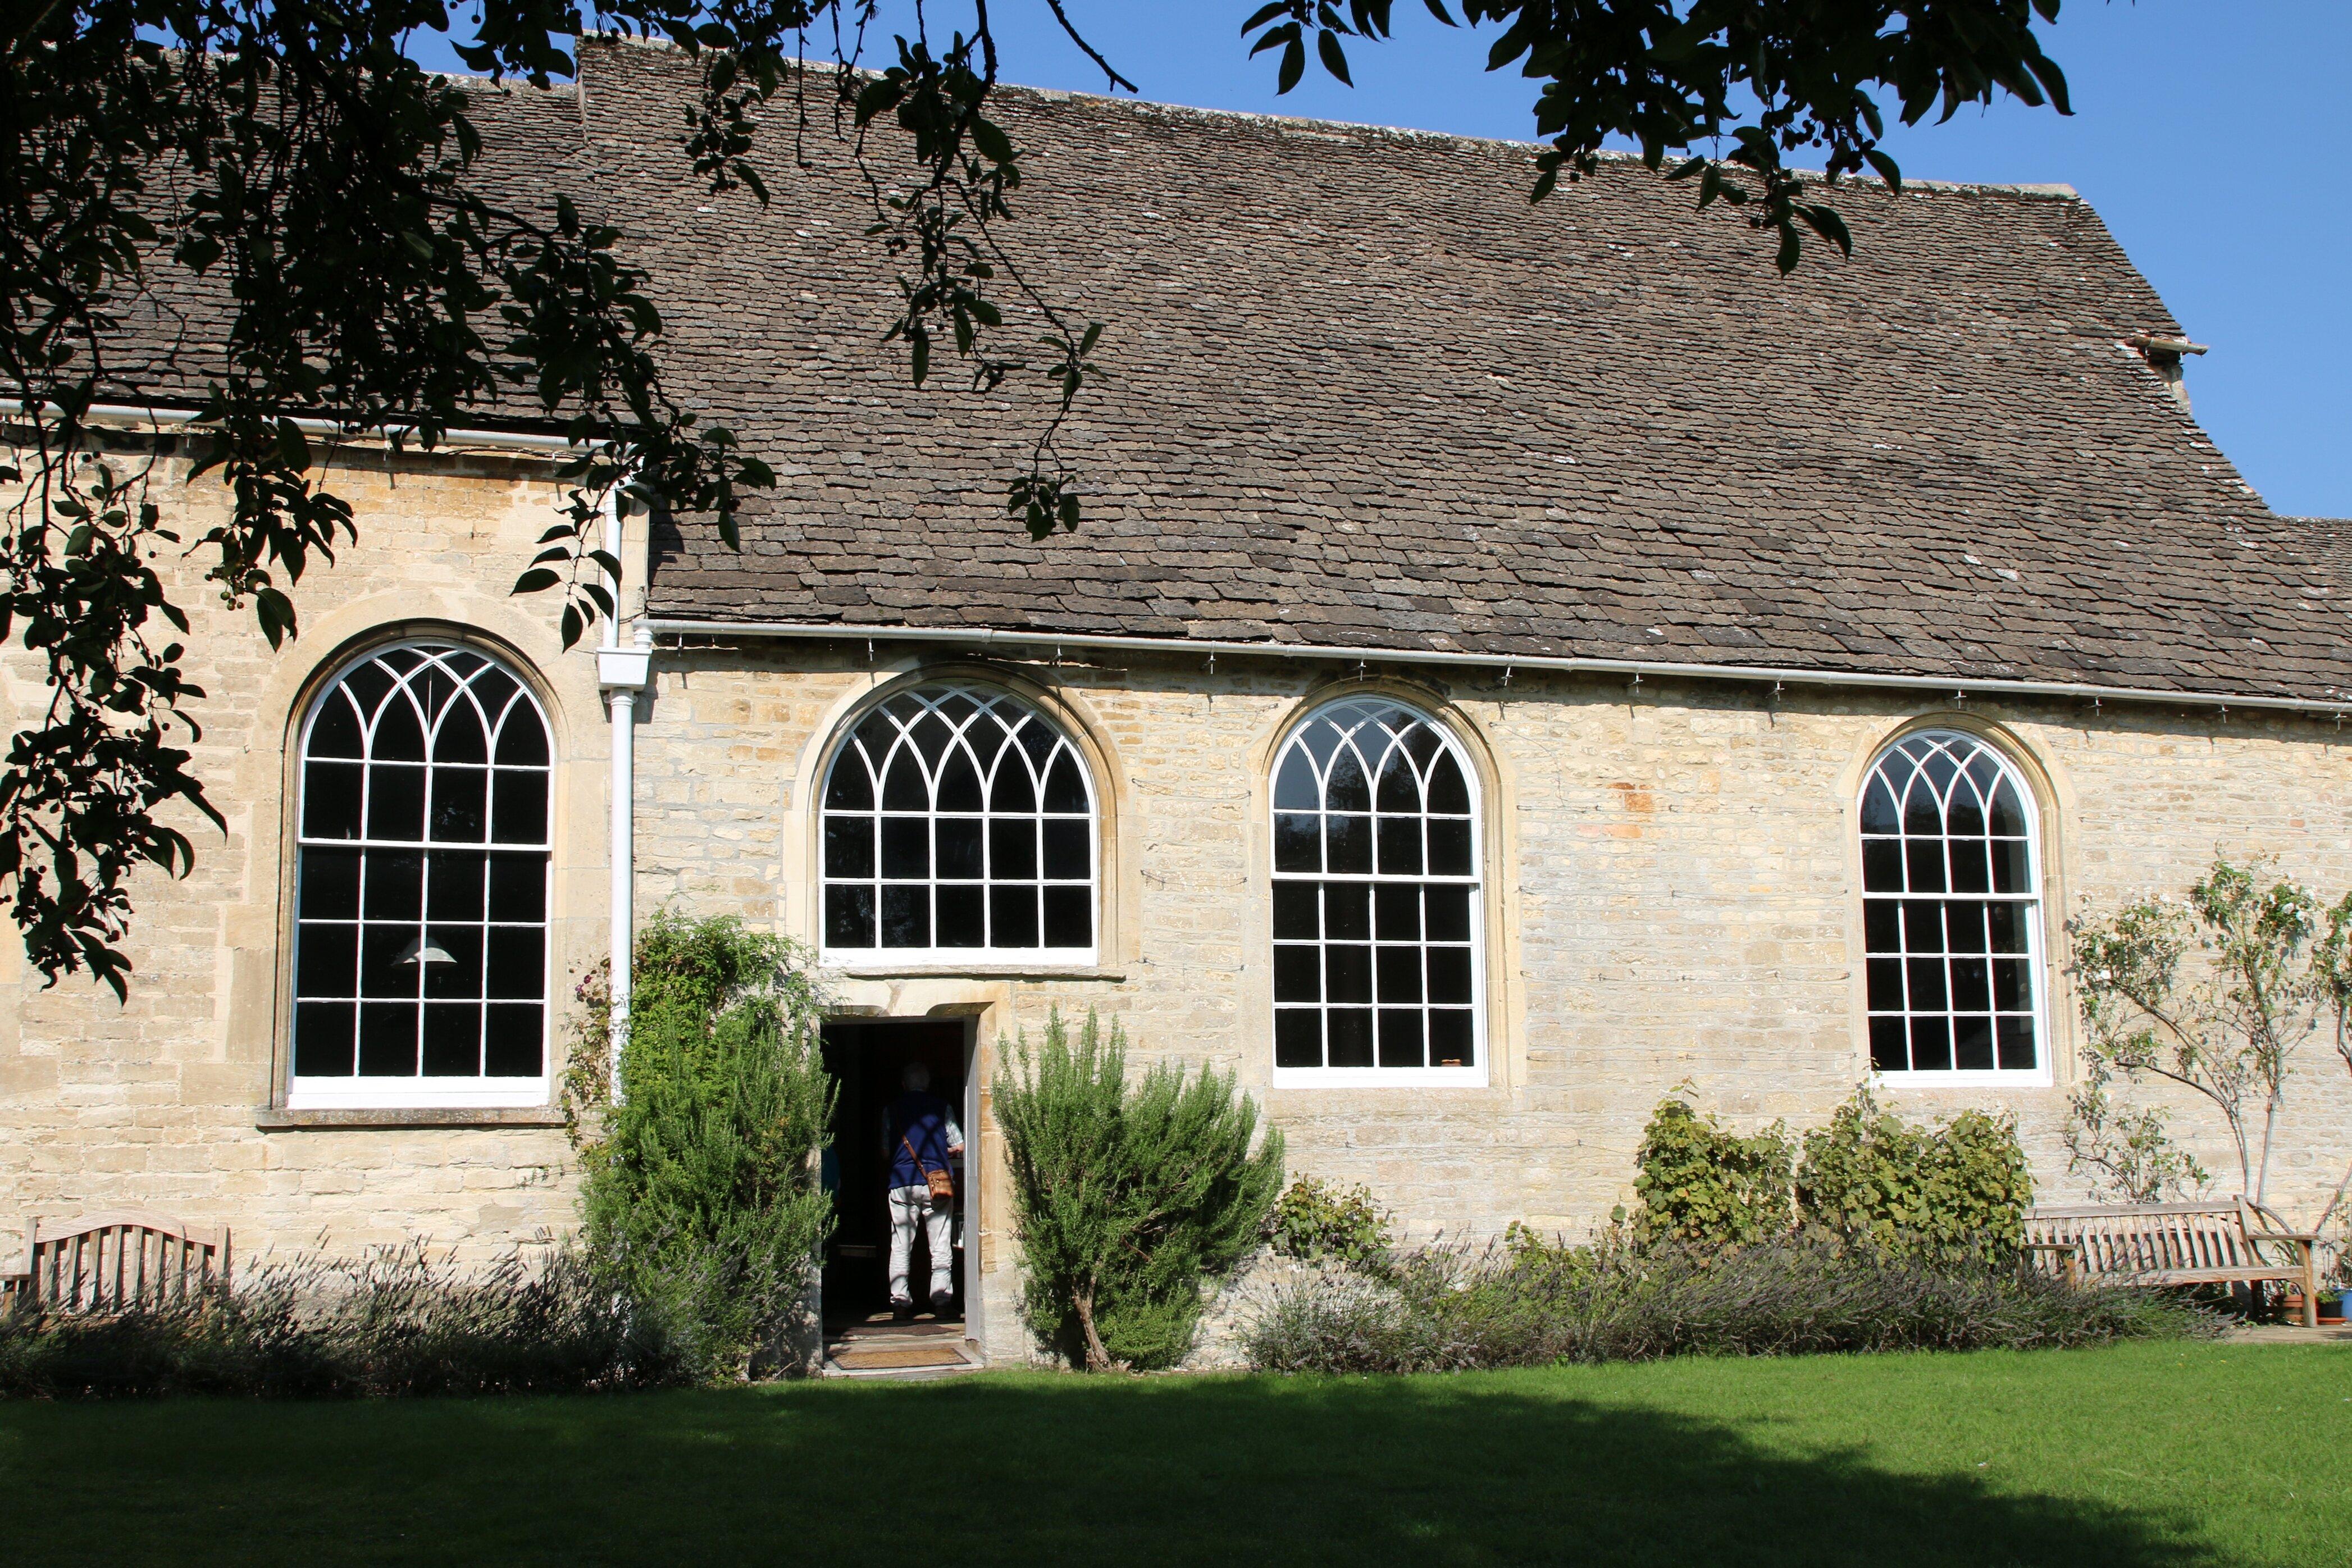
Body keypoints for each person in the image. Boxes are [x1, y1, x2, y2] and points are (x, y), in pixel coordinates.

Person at [883, 1061, 963, 1320]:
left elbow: (885, 1150)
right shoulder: (942, 1108)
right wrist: (942, 1151)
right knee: (940, 1245)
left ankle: (900, 1305)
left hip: (901, 1183)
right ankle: (941, 1302)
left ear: (904, 1085)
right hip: (936, 1183)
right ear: (928, 1084)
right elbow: (959, 1145)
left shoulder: (891, 1110)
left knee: (901, 1244)